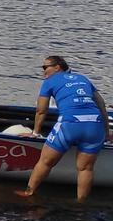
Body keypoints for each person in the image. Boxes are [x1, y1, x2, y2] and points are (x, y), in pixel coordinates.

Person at [20, 56, 105, 202]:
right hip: (95, 125)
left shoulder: (49, 82)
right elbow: (101, 104)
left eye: (45, 67)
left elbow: (41, 110)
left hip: (70, 124)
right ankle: (81, 203)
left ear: (57, 67)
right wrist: (106, 132)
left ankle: (29, 192)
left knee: (46, 162)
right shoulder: (82, 78)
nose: (43, 72)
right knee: (85, 169)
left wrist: (35, 132)